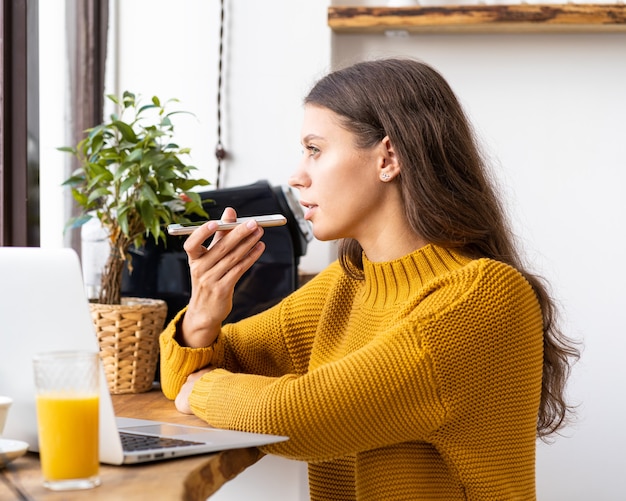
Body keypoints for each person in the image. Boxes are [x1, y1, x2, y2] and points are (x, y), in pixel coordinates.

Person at [159, 58, 580, 500]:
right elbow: (182, 379)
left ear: (388, 157)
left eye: (315, 150)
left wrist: (202, 390)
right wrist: (204, 312)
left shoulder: (485, 298)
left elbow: (299, 419)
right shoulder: (346, 284)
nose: (296, 176)